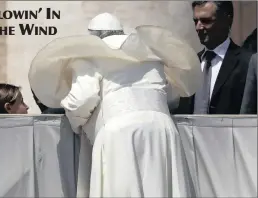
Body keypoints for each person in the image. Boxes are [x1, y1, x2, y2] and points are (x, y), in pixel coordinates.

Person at [29, 25, 201, 197]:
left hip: (119, 132)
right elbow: (171, 96)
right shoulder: (151, 54)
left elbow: (82, 99)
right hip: (162, 128)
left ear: (94, 37)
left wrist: (76, 123)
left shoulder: (89, 56)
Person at [176, 1, 253, 114]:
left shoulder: (248, 63)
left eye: (206, 21)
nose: (198, 27)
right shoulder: (190, 63)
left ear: (227, 20)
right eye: (195, 21)